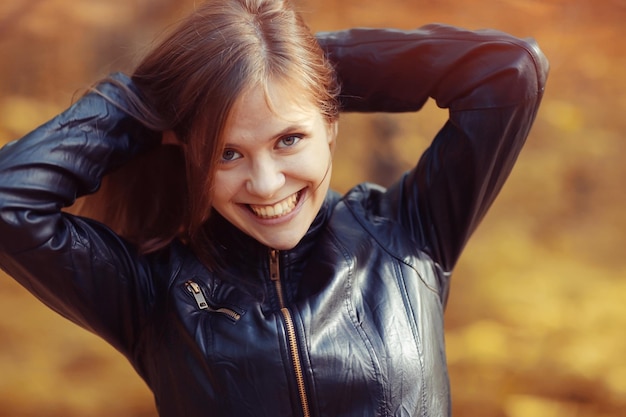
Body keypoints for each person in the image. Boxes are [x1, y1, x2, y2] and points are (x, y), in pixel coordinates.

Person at [0, 0, 549, 415]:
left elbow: (511, 70)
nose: (265, 185)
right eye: (225, 153)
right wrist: (154, 97)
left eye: (289, 139)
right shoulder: (150, 289)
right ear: (185, 153)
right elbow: (9, 200)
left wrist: (289, 58)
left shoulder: (408, 233)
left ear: (330, 127)